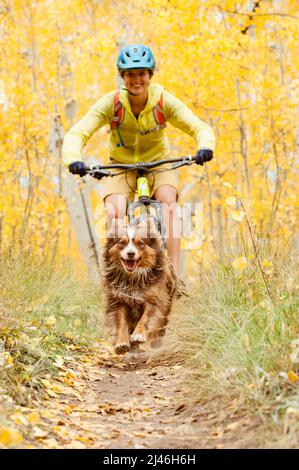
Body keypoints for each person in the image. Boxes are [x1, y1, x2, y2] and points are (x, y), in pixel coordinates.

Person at [62, 44, 215, 275]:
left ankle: (172, 275)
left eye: (142, 73)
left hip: (159, 162)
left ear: (150, 75)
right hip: (120, 165)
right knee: (114, 211)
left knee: (169, 206)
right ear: (122, 77)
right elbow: (78, 132)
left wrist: (205, 146)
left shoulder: (164, 101)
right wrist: (73, 158)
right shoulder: (111, 103)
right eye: (130, 74)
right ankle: (117, 277)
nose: (136, 79)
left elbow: (198, 126)